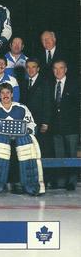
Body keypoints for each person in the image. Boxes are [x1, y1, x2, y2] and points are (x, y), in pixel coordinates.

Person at [0, 82, 44, 196]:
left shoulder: (21, 108)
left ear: (12, 94)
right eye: (2, 93)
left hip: (19, 142)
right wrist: (1, 130)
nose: (5, 95)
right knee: (1, 146)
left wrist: (24, 131)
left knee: (25, 145)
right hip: (2, 142)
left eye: (8, 93)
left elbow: (31, 125)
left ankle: (30, 185)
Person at [50, 60, 79, 191]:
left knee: (72, 154)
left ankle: (71, 181)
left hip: (71, 126)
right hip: (56, 127)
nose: (58, 71)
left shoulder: (75, 84)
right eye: (55, 68)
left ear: (65, 69)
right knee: (58, 155)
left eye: (61, 68)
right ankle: (60, 181)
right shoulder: (50, 84)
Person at [19, 58, 53, 157]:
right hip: (27, 123)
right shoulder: (23, 82)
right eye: (28, 67)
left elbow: (48, 103)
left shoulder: (44, 82)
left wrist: (45, 123)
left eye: (33, 67)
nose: (30, 70)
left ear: (38, 69)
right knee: (28, 150)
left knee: (40, 149)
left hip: (40, 122)